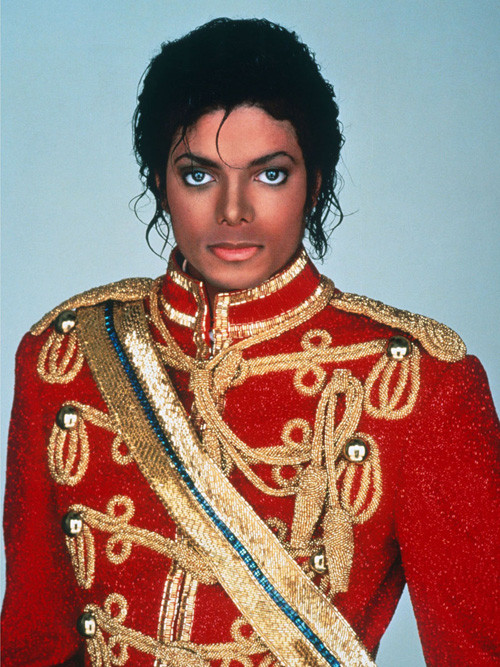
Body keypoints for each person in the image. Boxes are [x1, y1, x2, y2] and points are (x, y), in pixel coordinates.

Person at [2, 17, 499, 667]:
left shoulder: (420, 384)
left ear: (314, 183)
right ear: (158, 182)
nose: (233, 210)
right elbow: (32, 642)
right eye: (199, 175)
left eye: (269, 175)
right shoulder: (64, 358)